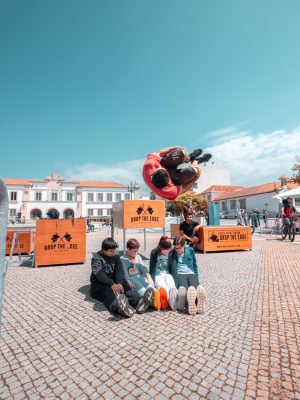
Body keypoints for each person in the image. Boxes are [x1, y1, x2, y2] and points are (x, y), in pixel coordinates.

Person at [90, 237, 154, 318]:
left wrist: (119, 283)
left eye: (114, 251)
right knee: (109, 292)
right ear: (103, 249)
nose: (113, 253)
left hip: (115, 281)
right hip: (100, 284)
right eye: (110, 251)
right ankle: (120, 307)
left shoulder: (116, 257)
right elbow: (100, 275)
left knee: (125, 286)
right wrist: (112, 284)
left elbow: (119, 271)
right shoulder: (96, 258)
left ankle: (139, 302)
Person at [143, 146, 212, 200]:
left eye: (162, 169)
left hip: (166, 163)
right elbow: (183, 189)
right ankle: (197, 160)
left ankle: (189, 158)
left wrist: (175, 148)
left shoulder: (149, 165)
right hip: (175, 178)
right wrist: (196, 178)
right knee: (194, 171)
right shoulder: (169, 191)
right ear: (167, 183)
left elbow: (159, 153)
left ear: (153, 173)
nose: (164, 169)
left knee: (181, 152)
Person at [169, 236, 206, 316]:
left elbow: (195, 265)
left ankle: (198, 304)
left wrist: (197, 277)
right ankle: (191, 305)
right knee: (184, 290)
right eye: (175, 248)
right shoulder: (172, 253)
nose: (177, 250)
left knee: (194, 289)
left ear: (184, 245)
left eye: (179, 248)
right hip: (180, 274)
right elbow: (169, 267)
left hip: (191, 273)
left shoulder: (190, 250)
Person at [149, 236, 178, 310]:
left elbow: (174, 268)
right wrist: (152, 281)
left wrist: (176, 282)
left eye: (167, 250)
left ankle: (175, 297)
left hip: (167, 273)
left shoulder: (172, 252)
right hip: (157, 275)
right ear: (160, 247)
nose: (165, 252)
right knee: (162, 287)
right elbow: (151, 268)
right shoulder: (154, 252)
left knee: (171, 284)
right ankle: (168, 300)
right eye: (163, 250)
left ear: (169, 248)